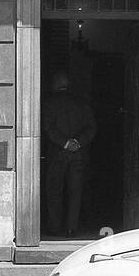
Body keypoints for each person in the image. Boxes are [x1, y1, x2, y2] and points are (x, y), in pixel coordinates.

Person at [42, 72, 97, 238]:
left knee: (54, 191)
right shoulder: (82, 102)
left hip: (57, 153)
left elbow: (48, 128)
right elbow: (92, 127)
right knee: (75, 191)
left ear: (56, 84)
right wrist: (77, 142)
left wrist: (65, 143)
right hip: (78, 154)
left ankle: (54, 227)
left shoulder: (50, 103)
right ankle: (72, 228)